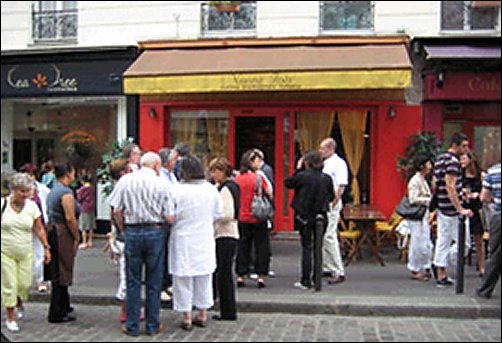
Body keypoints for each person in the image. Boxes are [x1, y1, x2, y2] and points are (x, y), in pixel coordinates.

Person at [108, 152, 172, 337]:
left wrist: (123, 228)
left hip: (133, 230)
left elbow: (117, 209)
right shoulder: (162, 184)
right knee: (154, 280)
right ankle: (152, 324)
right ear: (157, 166)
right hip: (155, 230)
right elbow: (169, 215)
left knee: (132, 279)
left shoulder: (126, 180)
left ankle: (132, 324)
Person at [169, 156, 223, 330]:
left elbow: (170, 215)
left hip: (183, 236)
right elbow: (218, 213)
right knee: (204, 276)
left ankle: (186, 316)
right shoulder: (210, 190)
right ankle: (202, 313)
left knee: (182, 277)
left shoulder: (176, 190)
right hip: (204, 236)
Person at [1, 173, 51, 333]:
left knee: (24, 284)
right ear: (13, 190)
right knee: (10, 284)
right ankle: (10, 317)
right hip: (5, 251)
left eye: (27, 191)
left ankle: (19, 301)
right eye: (22, 191)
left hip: (25, 251)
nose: (25, 194)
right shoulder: (3, 205)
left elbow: (38, 228)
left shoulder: (32, 207)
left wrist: (46, 247)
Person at [285, 151, 334, 290]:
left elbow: (288, 183)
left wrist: (298, 168)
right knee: (318, 247)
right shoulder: (326, 178)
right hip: (321, 215)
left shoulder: (302, 176)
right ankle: (316, 278)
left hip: (304, 215)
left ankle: (305, 280)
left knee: (306, 247)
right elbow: (331, 196)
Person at [432, 132, 473, 287]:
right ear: (455, 145)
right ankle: (440, 264)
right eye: (463, 146)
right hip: (452, 209)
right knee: (465, 244)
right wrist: (460, 208)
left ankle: (440, 270)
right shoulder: (452, 162)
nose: (466, 149)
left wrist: (459, 191)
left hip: (442, 207)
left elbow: (436, 183)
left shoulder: (440, 159)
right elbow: (450, 186)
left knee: (443, 240)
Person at [46, 163, 80, 323]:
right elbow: (70, 217)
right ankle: (57, 311)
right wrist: (76, 235)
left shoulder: (54, 190)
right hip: (61, 232)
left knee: (60, 269)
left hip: (53, 229)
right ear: (68, 174)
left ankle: (64, 305)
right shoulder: (66, 193)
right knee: (62, 269)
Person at [234, 149, 273, 289]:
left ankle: (240, 274)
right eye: (257, 160)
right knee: (261, 246)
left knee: (243, 246)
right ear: (251, 162)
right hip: (257, 216)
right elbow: (269, 192)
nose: (259, 163)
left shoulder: (237, 178)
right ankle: (261, 275)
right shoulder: (258, 177)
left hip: (242, 216)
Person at [209, 157, 240, 321]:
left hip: (225, 233)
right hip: (228, 234)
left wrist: (212, 217)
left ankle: (227, 310)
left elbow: (227, 214)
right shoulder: (228, 186)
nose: (213, 175)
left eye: (215, 171)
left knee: (224, 273)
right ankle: (227, 309)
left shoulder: (226, 189)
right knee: (224, 272)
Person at [319, 138, 348, 285]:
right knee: (323, 234)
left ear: (331, 149)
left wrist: (333, 202)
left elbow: (340, 186)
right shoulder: (326, 163)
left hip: (331, 203)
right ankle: (328, 266)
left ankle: (338, 270)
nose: (320, 151)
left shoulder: (339, 163)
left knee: (329, 235)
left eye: (323, 148)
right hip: (325, 202)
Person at [19, 163, 50, 293]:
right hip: (23, 225)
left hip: (39, 224)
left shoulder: (42, 189)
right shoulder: (18, 190)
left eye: (30, 175)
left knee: (39, 252)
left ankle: (39, 280)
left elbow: (46, 205)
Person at [405, 154, 433, 281]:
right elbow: (413, 198)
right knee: (417, 242)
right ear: (422, 166)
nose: (430, 166)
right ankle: (415, 268)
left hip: (422, 215)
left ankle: (425, 266)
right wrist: (428, 200)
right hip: (416, 216)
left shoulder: (423, 179)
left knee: (425, 242)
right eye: (428, 163)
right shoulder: (415, 180)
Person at [475, 160, 500, 299]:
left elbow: (484, 197)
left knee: (495, 254)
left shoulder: (493, 172)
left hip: (498, 217)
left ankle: (485, 290)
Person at [158, 147, 178, 302]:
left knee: (169, 252)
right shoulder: (161, 178)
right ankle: (162, 285)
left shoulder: (171, 175)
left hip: (172, 218)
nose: (175, 162)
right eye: (173, 160)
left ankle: (169, 281)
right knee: (162, 254)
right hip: (163, 219)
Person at [460, 152, 485, 277]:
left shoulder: (479, 175)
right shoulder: (460, 174)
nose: (462, 161)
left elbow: (483, 192)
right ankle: (460, 264)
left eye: (464, 158)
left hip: (475, 208)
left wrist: (477, 195)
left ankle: (481, 266)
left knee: (478, 237)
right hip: (464, 208)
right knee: (462, 237)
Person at [76, 173, 96, 249]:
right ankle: (90, 241)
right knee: (91, 225)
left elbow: (79, 198)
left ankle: (84, 242)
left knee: (83, 226)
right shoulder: (92, 188)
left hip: (84, 208)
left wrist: (78, 192)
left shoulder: (82, 189)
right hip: (91, 207)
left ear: (82, 181)